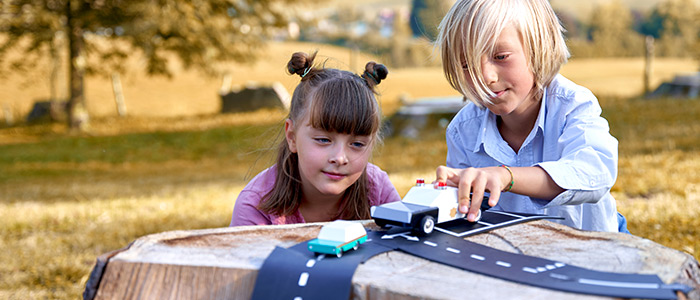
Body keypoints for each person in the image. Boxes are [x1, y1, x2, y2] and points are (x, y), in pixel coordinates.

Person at [433, 0, 628, 232]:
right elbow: (465, 217)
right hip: (515, 258)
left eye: (501, 56)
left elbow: (594, 173)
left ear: (538, 49)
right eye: (466, 65)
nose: (485, 76)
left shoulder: (573, 106)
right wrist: (451, 192)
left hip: (591, 250)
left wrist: (506, 176)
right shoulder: (462, 130)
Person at [230, 51, 401, 226]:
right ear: (292, 136)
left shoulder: (377, 190)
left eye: (357, 144)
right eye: (323, 140)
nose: (340, 158)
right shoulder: (256, 205)